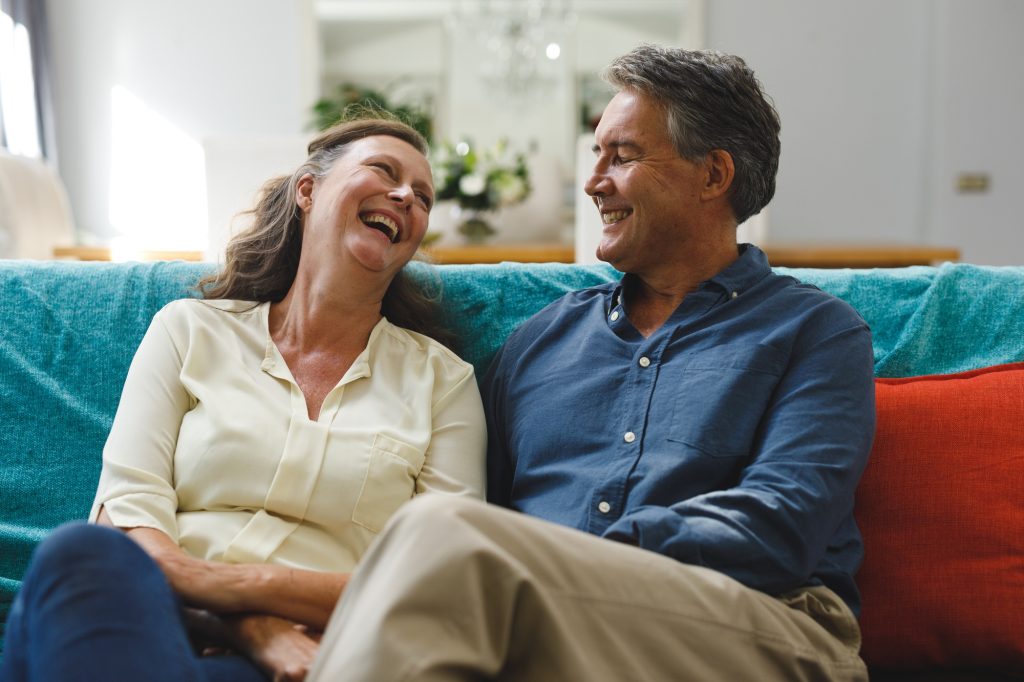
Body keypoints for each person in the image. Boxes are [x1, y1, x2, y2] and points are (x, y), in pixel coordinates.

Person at [306, 45, 876, 681]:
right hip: (552, 630)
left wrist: (576, 559)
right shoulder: (540, 341)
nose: (592, 180)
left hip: (768, 627)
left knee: (439, 536)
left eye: (622, 156)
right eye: (595, 154)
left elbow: (781, 529)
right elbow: (480, 508)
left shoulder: (816, 333)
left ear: (713, 176)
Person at [0, 116, 486, 682]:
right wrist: (247, 625)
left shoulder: (443, 382)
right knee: (78, 553)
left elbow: (439, 578)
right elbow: (126, 514)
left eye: (423, 197)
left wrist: (240, 587)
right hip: (158, 628)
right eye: (383, 170)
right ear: (308, 190)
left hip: (324, 655)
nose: (406, 196)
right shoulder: (188, 331)